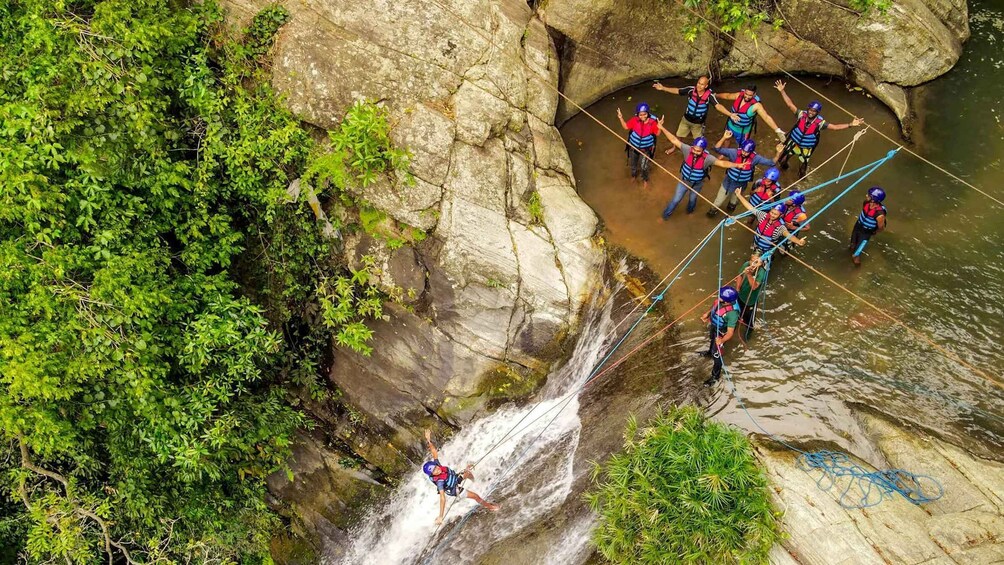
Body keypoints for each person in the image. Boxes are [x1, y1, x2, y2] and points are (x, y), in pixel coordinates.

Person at [774, 80, 864, 177]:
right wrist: (782, 91)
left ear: (817, 113)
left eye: (814, 111)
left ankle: (800, 179)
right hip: (794, 143)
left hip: (805, 148)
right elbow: (790, 104)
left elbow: (835, 127)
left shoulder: (820, 123)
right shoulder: (801, 114)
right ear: (808, 109)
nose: (811, 113)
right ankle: (784, 175)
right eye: (810, 110)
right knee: (782, 162)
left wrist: (851, 124)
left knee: (802, 172)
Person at [658, 129, 739, 218]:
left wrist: (737, 165)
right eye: (694, 149)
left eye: (698, 151)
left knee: (692, 200)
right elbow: (673, 139)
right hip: (684, 181)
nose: (695, 152)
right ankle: (665, 216)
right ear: (692, 147)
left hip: (697, 184)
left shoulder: (708, 158)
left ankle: (689, 212)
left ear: (703, 150)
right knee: (676, 200)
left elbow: (722, 163)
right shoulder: (687, 150)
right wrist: (661, 128)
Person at [423, 429, 499, 525]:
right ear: (432, 474)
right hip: (455, 489)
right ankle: (490, 507)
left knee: (468, 473)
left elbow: (433, 451)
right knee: (475, 496)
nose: (437, 469)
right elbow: (442, 498)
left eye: (435, 467)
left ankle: (476, 483)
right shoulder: (440, 482)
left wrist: (428, 440)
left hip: (454, 478)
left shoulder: (437, 465)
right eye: (434, 470)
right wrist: (440, 516)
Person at [707, 130, 782, 216]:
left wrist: (778, 153)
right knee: (717, 202)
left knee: (733, 204)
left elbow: (771, 163)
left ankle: (728, 215)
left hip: (741, 185)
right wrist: (724, 138)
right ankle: (711, 214)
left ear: (751, 152)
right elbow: (717, 148)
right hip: (728, 182)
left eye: (746, 152)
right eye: (743, 150)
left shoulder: (755, 158)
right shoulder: (734, 153)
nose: (744, 153)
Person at [653, 76, 733, 155]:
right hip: (686, 119)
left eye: (702, 84)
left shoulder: (709, 96)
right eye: (698, 83)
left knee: (698, 140)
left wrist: (730, 114)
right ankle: (674, 147)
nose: (699, 85)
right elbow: (678, 91)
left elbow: (718, 106)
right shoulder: (691, 90)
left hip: (698, 124)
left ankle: (697, 153)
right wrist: (663, 88)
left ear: (706, 86)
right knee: (679, 135)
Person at [734, 192, 807, 254]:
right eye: (772, 212)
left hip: (767, 251)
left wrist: (798, 242)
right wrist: (739, 195)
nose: (772, 215)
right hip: (756, 244)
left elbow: (788, 235)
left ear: (780, 215)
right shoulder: (763, 215)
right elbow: (750, 208)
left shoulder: (780, 228)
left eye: (775, 214)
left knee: (783, 250)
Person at [715, 84, 787, 147]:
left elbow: (766, 117)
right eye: (746, 94)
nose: (747, 97)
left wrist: (777, 130)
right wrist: (715, 95)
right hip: (730, 125)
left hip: (743, 131)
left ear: (754, 94)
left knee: (742, 147)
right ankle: (724, 152)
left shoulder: (757, 105)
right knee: (726, 140)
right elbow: (727, 96)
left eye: (750, 95)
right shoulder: (738, 95)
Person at [700, 286, 740, 386]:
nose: (719, 297)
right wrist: (708, 314)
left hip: (721, 332)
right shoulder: (722, 301)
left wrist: (721, 341)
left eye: (721, 297)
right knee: (711, 339)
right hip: (715, 326)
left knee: (717, 355)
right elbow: (715, 306)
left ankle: (715, 376)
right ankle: (709, 352)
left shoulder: (732, 314)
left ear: (727, 302)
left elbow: (730, 332)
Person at [616, 103, 664, 189]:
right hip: (634, 147)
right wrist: (620, 118)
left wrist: (659, 126)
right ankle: (633, 176)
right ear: (637, 114)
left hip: (645, 150)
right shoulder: (635, 120)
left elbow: (657, 133)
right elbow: (626, 127)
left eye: (644, 114)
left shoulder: (652, 123)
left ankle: (645, 179)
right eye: (640, 114)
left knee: (643, 166)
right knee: (633, 163)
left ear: (648, 113)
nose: (642, 116)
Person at [734, 251, 768, 339]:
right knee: (737, 312)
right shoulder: (746, 265)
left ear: (760, 263)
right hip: (740, 295)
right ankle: (736, 322)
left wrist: (749, 274)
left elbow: (754, 286)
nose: (752, 264)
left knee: (749, 321)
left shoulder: (761, 272)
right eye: (751, 261)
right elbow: (740, 276)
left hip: (751, 301)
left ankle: (748, 334)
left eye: (756, 262)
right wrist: (737, 289)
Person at [850, 186, 888, 266]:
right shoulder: (866, 203)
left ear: (874, 200)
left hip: (866, 233)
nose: (866, 196)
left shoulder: (879, 214)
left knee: (856, 255)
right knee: (852, 245)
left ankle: (856, 271)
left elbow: (881, 227)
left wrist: (873, 232)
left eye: (869, 195)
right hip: (858, 226)